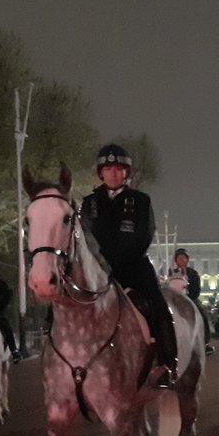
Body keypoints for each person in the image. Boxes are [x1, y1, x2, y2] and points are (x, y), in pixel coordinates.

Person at [80, 143, 178, 388]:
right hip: (99, 272)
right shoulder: (89, 203)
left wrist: (118, 263)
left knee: (158, 307)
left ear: (126, 173)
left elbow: (144, 235)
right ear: (100, 173)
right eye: (108, 168)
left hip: (133, 269)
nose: (113, 173)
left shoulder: (140, 201)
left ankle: (167, 363)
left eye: (119, 169)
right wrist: (98, 265)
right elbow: (85, 239)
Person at [167, 248, 214, 356]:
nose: (181, 260)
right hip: (173, 299)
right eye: (179, 258)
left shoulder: (192, 273)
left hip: (189, 298)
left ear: (187, 260)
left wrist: (189, 295)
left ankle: (206, 342)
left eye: (184, 258)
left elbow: (196, 289)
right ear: (176, 260)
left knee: (202, 316)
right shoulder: (170, 272)